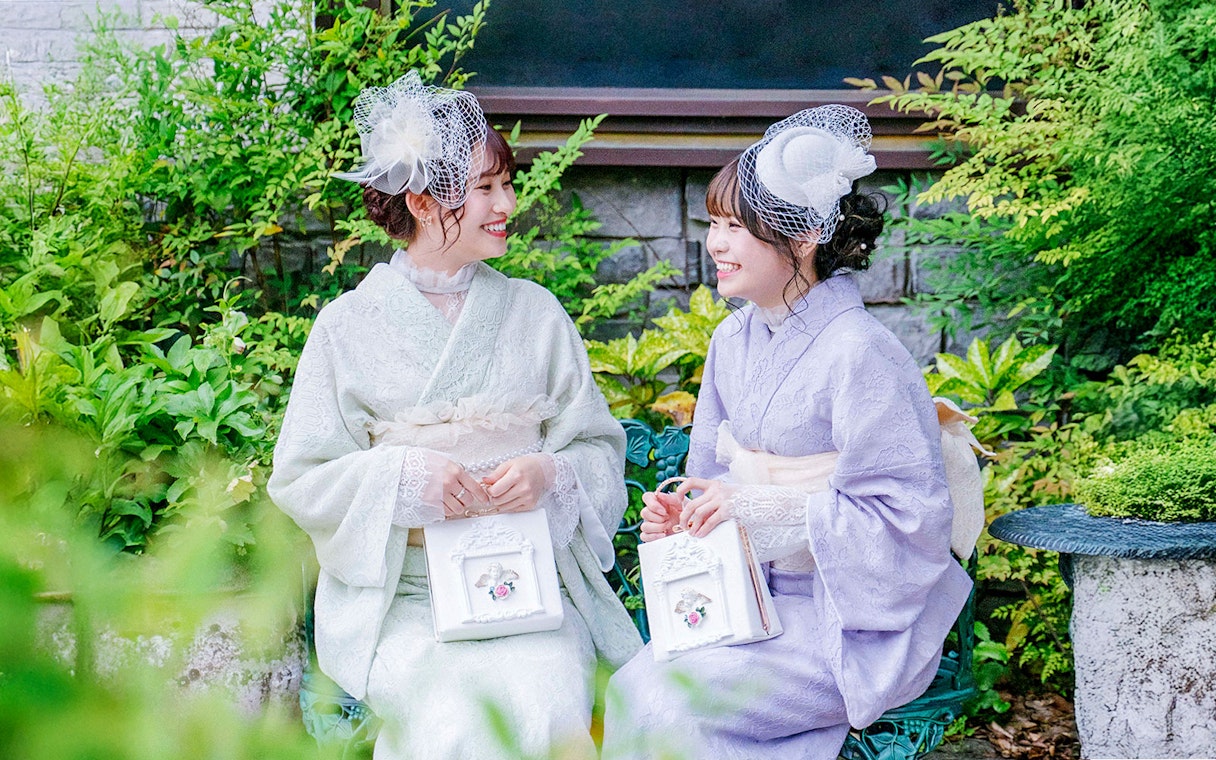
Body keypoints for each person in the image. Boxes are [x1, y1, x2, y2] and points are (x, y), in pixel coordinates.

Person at [268, 72, 641, 760]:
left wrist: (549, 475)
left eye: (508, 183)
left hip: (532, 593)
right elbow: (302, 476)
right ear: (420, 199)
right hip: (406, 604)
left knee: (547, 697)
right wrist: (403, 481)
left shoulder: (537, 313)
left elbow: (595, 448)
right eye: (486, 188)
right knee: (453, 713)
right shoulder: (346, 326)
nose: (509, 203)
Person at [601, 105, 973, 759]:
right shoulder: (731, 339)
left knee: (675, 707)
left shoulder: (862, 352)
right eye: (712, 224)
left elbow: (911, 520)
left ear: (802, 238)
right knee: (633, 690)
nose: (714, 243)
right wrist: (683, 517)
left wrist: (760, 508)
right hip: (742, 593)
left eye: (734, 227)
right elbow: (709, 484)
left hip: (841, 615)